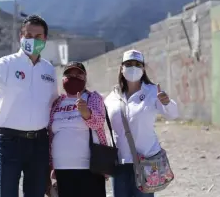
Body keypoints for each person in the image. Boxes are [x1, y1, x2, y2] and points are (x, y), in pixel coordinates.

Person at [0, 15, 58, 197]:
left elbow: (53, 105)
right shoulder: (7, 64)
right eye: (28, 35)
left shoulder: (49, 70)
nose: (32, 40)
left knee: (35, 193)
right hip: (10, 142)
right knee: (6, 193)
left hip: (39, 143)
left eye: (37, 36)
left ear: (45, 39)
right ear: (21, 36)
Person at [104, 50, 179, 197]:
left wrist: (167, 102)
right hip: (120, 164)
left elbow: (173, 114)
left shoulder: (152, 92)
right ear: (121, 68)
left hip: (146, 163)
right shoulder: (112, 97)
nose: (133, 67)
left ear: (143, 69)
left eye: (137, 64)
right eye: (129, 64)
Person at [48, 61, 107, 197]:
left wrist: (85, 111)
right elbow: (51, 134)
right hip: (62, 167)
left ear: (85, 78)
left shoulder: (92, 97)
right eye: (69, 74)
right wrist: (50, 166)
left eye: (78, 74)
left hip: (90, 167)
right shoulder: (57, 102)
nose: (73, 77)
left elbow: (98, 122)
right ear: (63, 78)